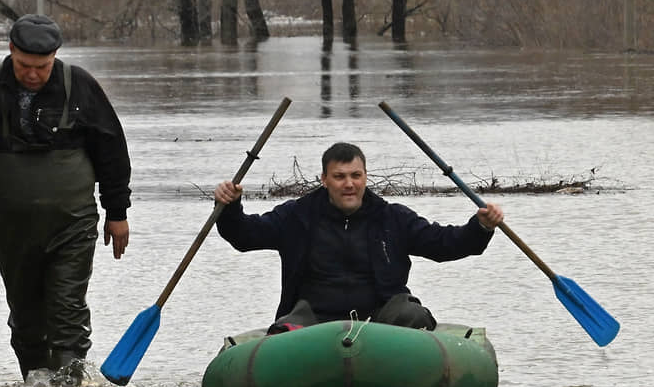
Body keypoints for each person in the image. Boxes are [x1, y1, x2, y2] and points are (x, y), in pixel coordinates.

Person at [0, 14, 131, 383]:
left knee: (67, 310)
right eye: (24, 65)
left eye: (41, 67)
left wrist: (117, 211)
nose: (32, 74)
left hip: (73, 224)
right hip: (14, 229)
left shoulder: (80, 86)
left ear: (55, 56)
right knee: (25, 314)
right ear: (11, 50)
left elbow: (112, 151)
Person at [213, 142, 504, 333]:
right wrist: (229, 208)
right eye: (339, 177)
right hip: (313, 320)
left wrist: (480, 227)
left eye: (356, 175)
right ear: (324, 180)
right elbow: (245, 236)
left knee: (413, 316)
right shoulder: (296, 217)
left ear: (366, 177)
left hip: (381, 320)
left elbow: (444, 244)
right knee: (284, 330)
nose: (349, 184)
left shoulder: (393, 218)